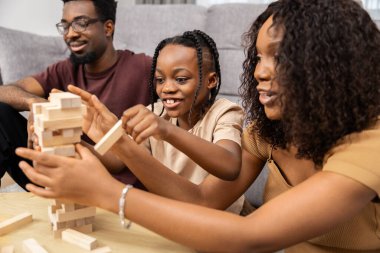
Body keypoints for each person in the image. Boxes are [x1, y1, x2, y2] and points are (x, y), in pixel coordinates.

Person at [16, 0, 380, 252]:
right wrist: (118, 142)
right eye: (258, 56)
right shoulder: (266, 133)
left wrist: (110, 195)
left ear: (331, 65)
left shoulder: (369, 143)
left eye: (279, 56)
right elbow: (202, 201)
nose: (258, 71)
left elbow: (250, 236)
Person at [66, 29, 244, 212]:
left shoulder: (225, 112)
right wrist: (71, 142)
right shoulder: (157, 112)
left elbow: (229, 165)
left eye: (181, 79)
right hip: (172, 216)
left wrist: (167, 131)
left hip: (219, 222)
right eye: (160, 79)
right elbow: (118, 162)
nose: (166, 88)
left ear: (211, 80)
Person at [0, 0, 152, 190]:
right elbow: (4, 91)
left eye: (81, 23)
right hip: (64, 172)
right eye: (65, 25)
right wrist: (36, 104)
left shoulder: (143, 67)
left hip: (119, 185)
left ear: (108, 28)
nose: (70, 34)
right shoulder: (64, 70)